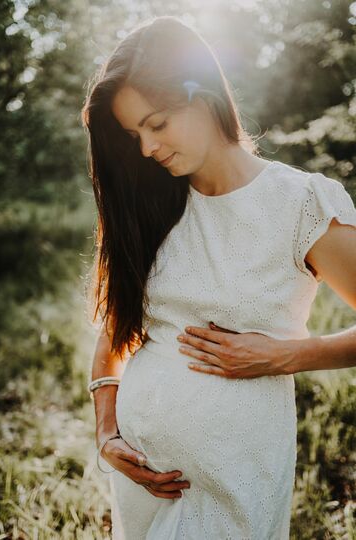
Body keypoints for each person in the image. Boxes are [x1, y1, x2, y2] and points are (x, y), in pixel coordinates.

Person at [81, 15, 356, 540]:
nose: (146, 149)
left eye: (157, 124)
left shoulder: (299, 205)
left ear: (204, 94)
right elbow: (116, 328)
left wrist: (285, 355)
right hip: (142, 484)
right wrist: (107, 430)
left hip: (236, 471)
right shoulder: (155, 203)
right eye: (134, 134)